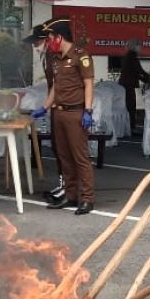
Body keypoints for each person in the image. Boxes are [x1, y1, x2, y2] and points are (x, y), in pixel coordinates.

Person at [32, 20, 95, 215]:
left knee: (80, 158)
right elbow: (55, 89)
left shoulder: (80, 55)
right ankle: (70, 195)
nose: (49, 43)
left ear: (60, 37)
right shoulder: (57, 59)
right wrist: (44, 108)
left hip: (75, 113)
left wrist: (88, 111)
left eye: (50, 39)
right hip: (58, 113)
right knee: (64, 157)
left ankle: (87, 198)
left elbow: (89, 85)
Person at [26, 20, 66, 202]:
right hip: (55, 105)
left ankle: (67, 186)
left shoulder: (54, 55)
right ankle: (63, 184)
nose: (35, 47)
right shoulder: (47, 56)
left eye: (36, 43)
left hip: (62, 106)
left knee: (63, 149)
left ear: (45, 39)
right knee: (58, 147)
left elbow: (57, 86)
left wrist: (44, 107)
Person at [118, 38, 149, 132]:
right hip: (128, 84)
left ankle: (131, 126)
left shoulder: (130, 55)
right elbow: (138, 70)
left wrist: (146, 77)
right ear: (134, 46)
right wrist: (148, 78)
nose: (140, 47)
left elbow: (138, 71)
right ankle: (131, 127)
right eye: (138, 45)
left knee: (130, 105)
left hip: (127, 84)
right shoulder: (131, 56)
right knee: (130, 105)